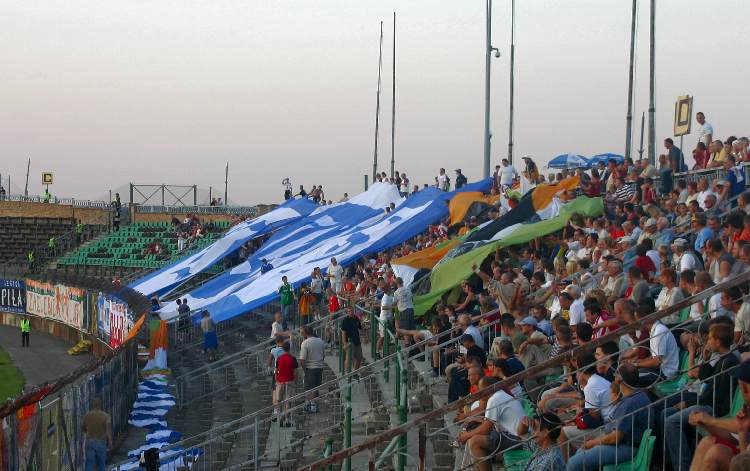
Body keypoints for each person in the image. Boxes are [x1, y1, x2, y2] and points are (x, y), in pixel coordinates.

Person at [566, 363, 651, 470]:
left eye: (616, 374)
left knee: (573, 463)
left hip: (628, 447)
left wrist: (594, 442)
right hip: (626, 444)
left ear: (619, 379)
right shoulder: (638, 394)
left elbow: (615, 438)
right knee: (580, 452)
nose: (614, 376)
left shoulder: (630, 403)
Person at [460, 376, 526, 470]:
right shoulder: (499, 395)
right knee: (474, 435)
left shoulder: (495, 399)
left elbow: (486, 429)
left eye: (481, 389)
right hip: (514, 436)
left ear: (489, 388)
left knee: (475, 441)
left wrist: (466, 436)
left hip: (520, 440)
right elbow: (489, 423)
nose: (480, 393)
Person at [299, 325, 325, 413]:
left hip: (310, 368)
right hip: (319, 367)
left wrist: (305, 370)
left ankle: (312, 406)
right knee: (316, 386)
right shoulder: (320, 341)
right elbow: (323, 355)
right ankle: (313, 404)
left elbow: (302, 360)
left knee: (310, 388)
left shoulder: (305, 343)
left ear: (306, 333)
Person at [83, 398, 112, 471]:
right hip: (101, 442)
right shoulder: (106, 416)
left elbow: (83, 428)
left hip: (90, 442)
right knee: (101, 464)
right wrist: (110, 441)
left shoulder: (87, 415)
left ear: (92, 405)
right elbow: (108, 429)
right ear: (100, 405)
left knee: (89, 464)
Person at [274, 342, 298, 427]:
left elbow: (276, 371)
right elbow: (295, 372)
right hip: (290, 381)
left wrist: (277, 378)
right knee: (288, 401)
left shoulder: (279, 358)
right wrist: (295, 380)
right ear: (289, 348)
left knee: (279, 400)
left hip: (280, 381)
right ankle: (286, 419)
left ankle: (280, 416)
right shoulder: (293, 358)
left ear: (283, 349)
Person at [340, 306, 363, 372]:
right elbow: (343, 332)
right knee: (349, 358)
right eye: (349, 311)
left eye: (351, 311)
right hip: (349, 341)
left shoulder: (356, 318)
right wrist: (345, 344)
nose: (351, 312)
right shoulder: (345, 320)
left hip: (357, 340)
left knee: (359, 357)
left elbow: (360, 328)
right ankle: (346, 372)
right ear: (347, 312)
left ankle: (355, 372)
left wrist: (365, 337)